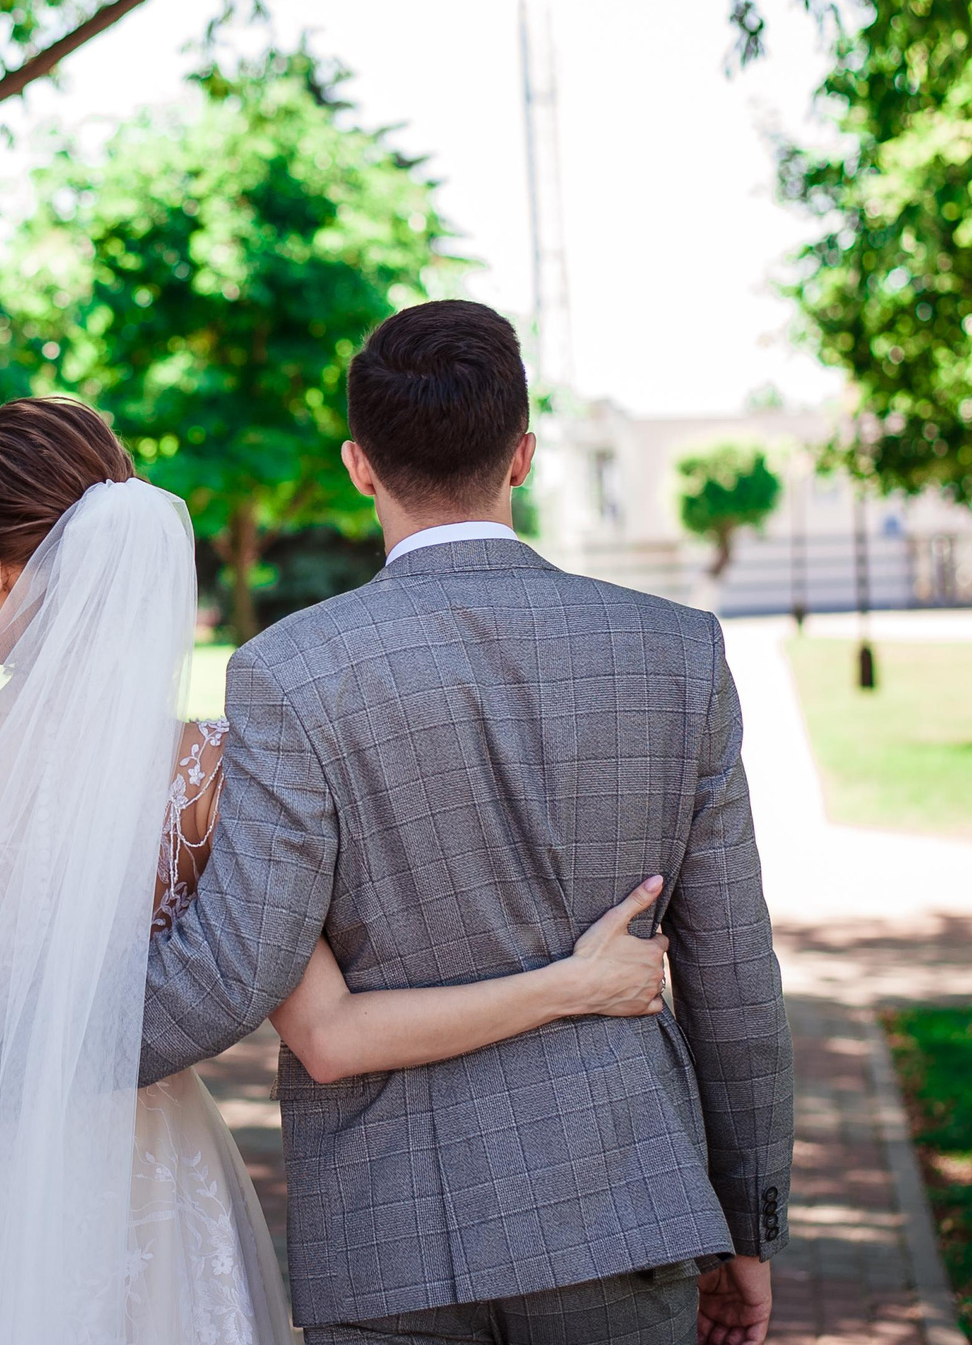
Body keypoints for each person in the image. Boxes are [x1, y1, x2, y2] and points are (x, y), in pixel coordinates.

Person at [0, 395, 680, 1345]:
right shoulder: (210, 773)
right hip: (154, 1197)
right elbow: (329, 1032)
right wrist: (573, 983)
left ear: (2, 574)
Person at [140, 300, 794, 1345]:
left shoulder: (289, 673)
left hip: (388, 1234)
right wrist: (747, 1223)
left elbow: (233, 966)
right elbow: (733, 972)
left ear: (359, 466)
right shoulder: (674, 653)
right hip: (623, 1207)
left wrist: (7, 1056)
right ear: (522, 456)